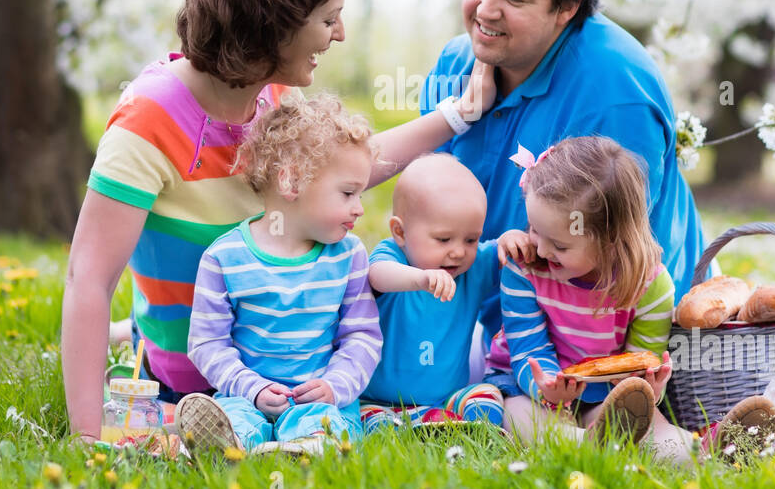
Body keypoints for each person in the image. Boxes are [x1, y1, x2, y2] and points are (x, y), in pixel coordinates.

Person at [63, 0, 495, 440]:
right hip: (201, 378)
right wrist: (88, 431)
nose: (340, 34)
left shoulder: (271, 97)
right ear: (273, 27)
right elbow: (89, 278)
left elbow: (344, 173)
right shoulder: (148, 121)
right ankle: (138, 346)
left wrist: (457, 115)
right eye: (328, 19)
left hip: (293, 374)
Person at [420, 0, 708, 350]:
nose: (486, 10)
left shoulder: (616, 89)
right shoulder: (456, 64)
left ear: (567, 7)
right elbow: (422, 209)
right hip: (500, 316)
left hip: (611, 331)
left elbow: (615, 256)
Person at [175, 94, 380, 455]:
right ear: (290, 182)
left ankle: (308, 447)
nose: (359, 208)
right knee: (233, 419)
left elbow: (362, 336)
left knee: (325, 424)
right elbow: (207, 343)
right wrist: (250, 388)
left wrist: (335, 386)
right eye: (348, 193)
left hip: (320, 399)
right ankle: (231, 446)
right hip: (243, 395)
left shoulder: (348, 256)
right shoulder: (224, 259)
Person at [483, 136, 693, 460]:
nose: (539, 249)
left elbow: (638, 362)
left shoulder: (650, 284)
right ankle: (590, 446)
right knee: (523, 421)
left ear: (611, 240)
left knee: (660, 440)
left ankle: (704, 448)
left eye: (559, 245)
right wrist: (549, 388)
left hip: (605, 393)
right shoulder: (525, 268)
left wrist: (647, 388)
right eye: (534, 229)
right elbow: (528, 347)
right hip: (528, 384)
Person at [358, 153, 530, 430]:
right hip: (381, 398)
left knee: (486, 398)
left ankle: (447, 423)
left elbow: (500, 251)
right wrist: (421, 279)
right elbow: (377, 276)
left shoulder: (471, 268)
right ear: (400, 232)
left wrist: (511, 239)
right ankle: (405, 424)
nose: (459, 251)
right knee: (373, 421)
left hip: (448, 397)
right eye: (443, 239)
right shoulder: (393, 256)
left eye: (471, 239)